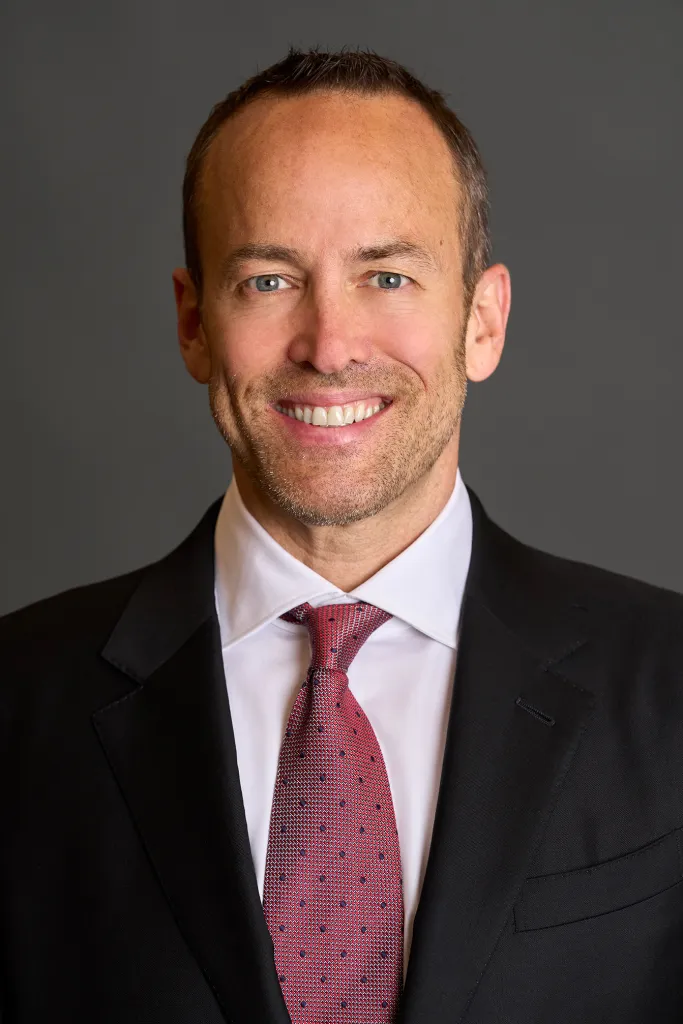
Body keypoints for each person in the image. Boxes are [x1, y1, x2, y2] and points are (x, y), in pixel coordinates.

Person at [1, 46, 682, 1024]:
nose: (328, 345)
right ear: (193, 324)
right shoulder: (17, 705)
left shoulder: (665, 690)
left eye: (388, 277)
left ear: (481, 321)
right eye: (269, 281)